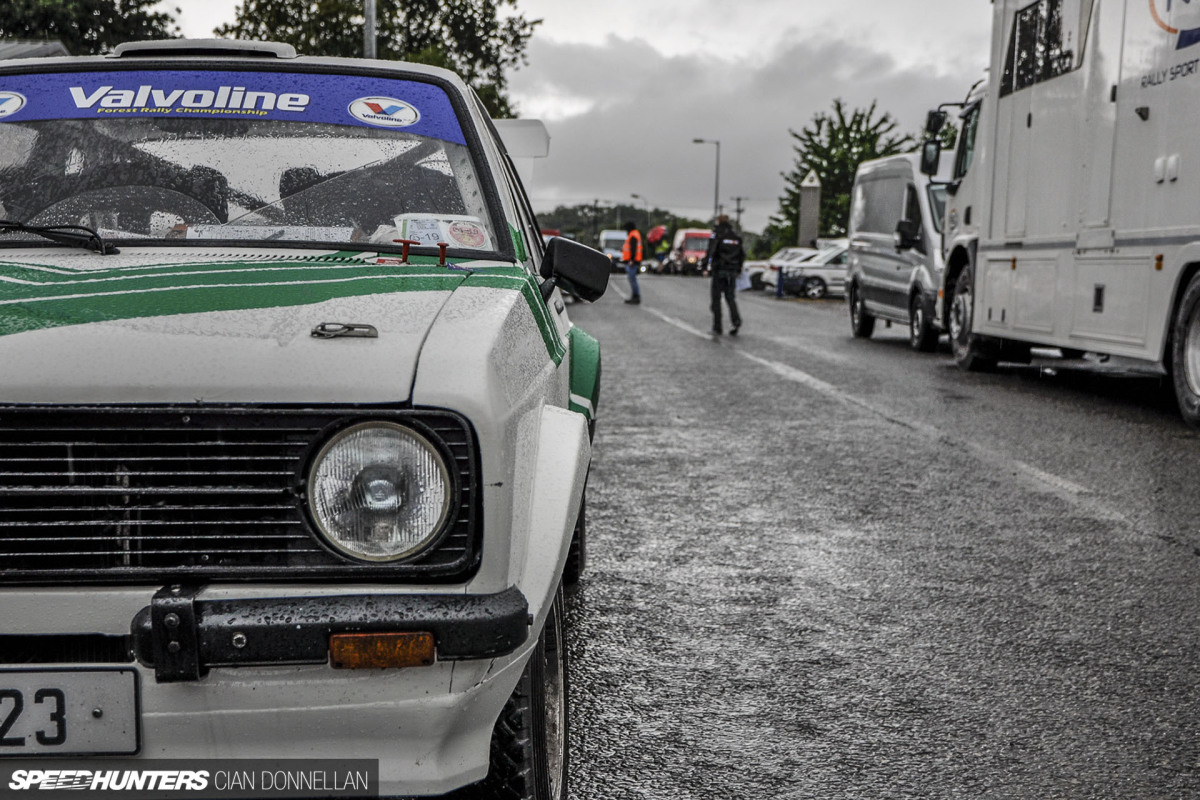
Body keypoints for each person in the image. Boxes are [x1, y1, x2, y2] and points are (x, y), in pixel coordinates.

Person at [705, 214, 745, 335]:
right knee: (730, 298)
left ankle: (717, 327)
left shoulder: (717, 234)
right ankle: (736, 321)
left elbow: (711, 251)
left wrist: (705, 266)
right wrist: (738, 269)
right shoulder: (736, 237)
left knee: (716, 299)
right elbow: (742, 255)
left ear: (718, 221)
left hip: (719, 270)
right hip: (731, 272)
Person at [620, 220, 644, 304]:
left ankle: (636, 297)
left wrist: (631, 260)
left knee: (632, 280)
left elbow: (633, 249)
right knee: (632, 279)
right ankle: (635, 296)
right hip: (634, 261)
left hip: (633, 262)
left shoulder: (633, 235)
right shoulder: (635, 234)